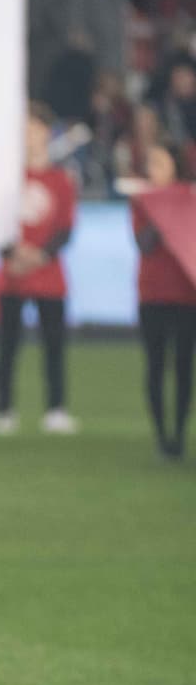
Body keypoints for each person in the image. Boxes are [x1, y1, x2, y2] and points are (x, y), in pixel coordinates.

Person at [0, 103, 79, 436]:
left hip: (49, 275)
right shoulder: (6, 179)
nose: (29, 135)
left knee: (54, 345)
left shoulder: (61, 180)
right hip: (12, 274)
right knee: (8, 346)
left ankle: (56, 410)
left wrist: (40, 255)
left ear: (46, 133)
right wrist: (12, 253)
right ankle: (4, 410)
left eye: (34, 128)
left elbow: (66, 228)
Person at [132, 144, 196, 459]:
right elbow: (144, 244)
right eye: (150, 161)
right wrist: (164, 210)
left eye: (159, 160)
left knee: (184, 367)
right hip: (153, 294)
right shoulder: (143, 201)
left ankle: (180, 436)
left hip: (186, 294)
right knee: (156, 366)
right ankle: (161, 436)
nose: (153, 167)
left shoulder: (190, 199)